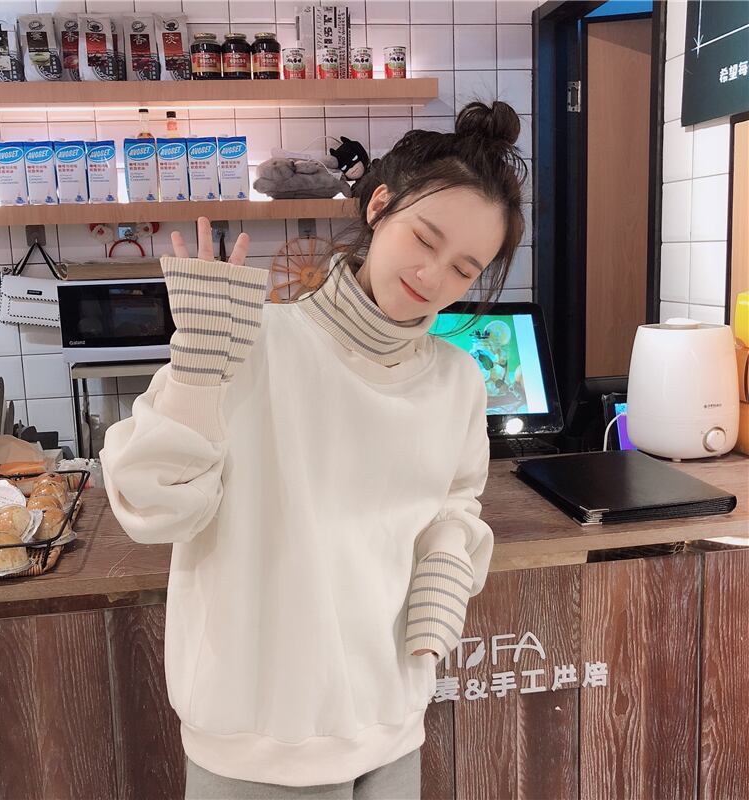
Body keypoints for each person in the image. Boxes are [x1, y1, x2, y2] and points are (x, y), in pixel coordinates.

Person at [100, 99, 528, 800]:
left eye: (462, 269)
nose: (433, 277)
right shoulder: (253, 341)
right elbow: (153, 510)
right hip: (258, 739)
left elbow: (457, 499)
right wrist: (196, 373)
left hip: (391, 723)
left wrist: (448, 566)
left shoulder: (456, 380)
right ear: (379, 207)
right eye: (424, 239)